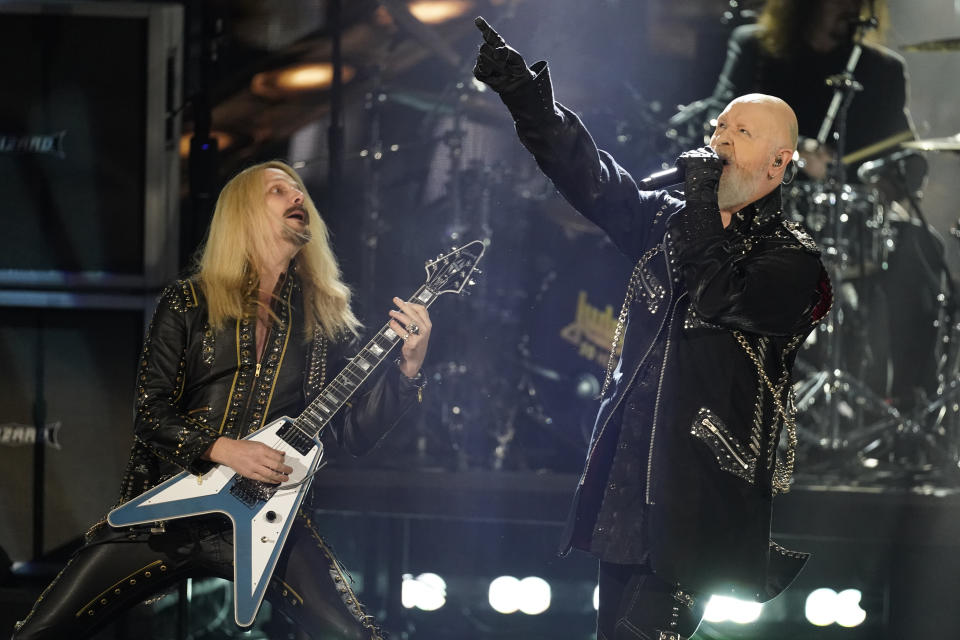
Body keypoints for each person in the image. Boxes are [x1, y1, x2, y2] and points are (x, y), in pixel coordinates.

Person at [473, 17, 831, 640]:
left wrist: (697, 204)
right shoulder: (665, 222)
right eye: (718, 126)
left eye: (740, 133)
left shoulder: (791, 261)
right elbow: (591, 178)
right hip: (627, 483)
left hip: (700, 502)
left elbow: (719, 292)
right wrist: (526, 99)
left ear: (778, 163)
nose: (719, 140)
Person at [11, 160, 431, 640]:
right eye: (279, 191)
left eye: (300, 194)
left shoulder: (324, 319)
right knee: (39, 633)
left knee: (355, 636)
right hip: (165, 514)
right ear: (244, 214)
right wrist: (226, 449)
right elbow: (151, 413)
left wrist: (409, 368)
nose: (298, 199)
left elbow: (353, 437)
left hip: (269, 517)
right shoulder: (188, 301)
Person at [674, 0, 916, 180]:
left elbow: (906, 154)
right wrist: (795, 147)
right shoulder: (755, 48)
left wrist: (895, 178)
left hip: (847, 216)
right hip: (759, 198)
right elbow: (720, 121)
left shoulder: (884, 69)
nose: (850, 6)